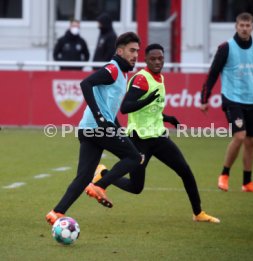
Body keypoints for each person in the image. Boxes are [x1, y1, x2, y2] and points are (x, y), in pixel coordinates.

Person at [89, 43, 220, 223]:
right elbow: (126, 108)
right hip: (140, 139)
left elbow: (151, 110)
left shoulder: (159, 77)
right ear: (146, 60)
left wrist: (167, 118)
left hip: (158, 137)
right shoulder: (142, 79)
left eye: (160, 58)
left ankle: (198, 213)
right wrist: (148, 99)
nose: (157, 62)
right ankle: (103, 175)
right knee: (136, 188)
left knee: (185, 171)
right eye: (153, 59)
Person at [46, 32, 142, 225]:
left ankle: (56, 212)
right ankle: (100, 184)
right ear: (120, 51)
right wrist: (100, 117)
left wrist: (114, 127)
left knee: (82, 177)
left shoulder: (122, 73)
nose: (135, 55)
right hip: (97, 128)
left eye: (137, 51)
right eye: (132, 50)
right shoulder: (113, 69)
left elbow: (109, 111)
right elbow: (86, 83)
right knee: (134, 158)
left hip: (88, 129)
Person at [200, 12, 253, 192]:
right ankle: (224, 175)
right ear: (236, 26)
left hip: (252, 100)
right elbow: (213, 73)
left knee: (251, 141)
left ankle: (247, 183)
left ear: (252, 27)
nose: (244, 28)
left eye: (247, 25)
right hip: (232, 100)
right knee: (240, 136)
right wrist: (205, 98)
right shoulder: (226, 47)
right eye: (241, 25)